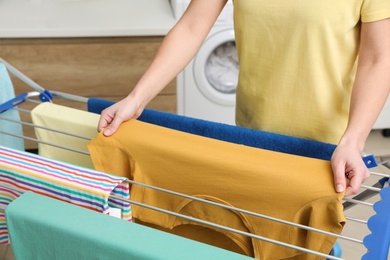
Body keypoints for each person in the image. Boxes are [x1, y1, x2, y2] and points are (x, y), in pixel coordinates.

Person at [98, 0, 390, 197]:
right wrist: (137, 98)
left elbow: (378, 58)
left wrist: (353, 141)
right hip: (253, 136)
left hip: (327, 147)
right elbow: (191, 28)